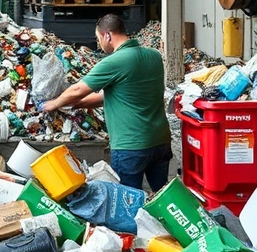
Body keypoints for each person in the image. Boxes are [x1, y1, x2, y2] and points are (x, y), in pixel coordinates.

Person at [41, 14, 172, 191]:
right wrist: (78, 104)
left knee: (128, 202)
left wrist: (53, 103)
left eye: (98, 38)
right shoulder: (154, 57)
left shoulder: (115, 62)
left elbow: (78, 90)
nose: (99, 44)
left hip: (131, 146)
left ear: (107, 36)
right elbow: (119, 94)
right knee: (163, 196)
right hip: (160, 142)